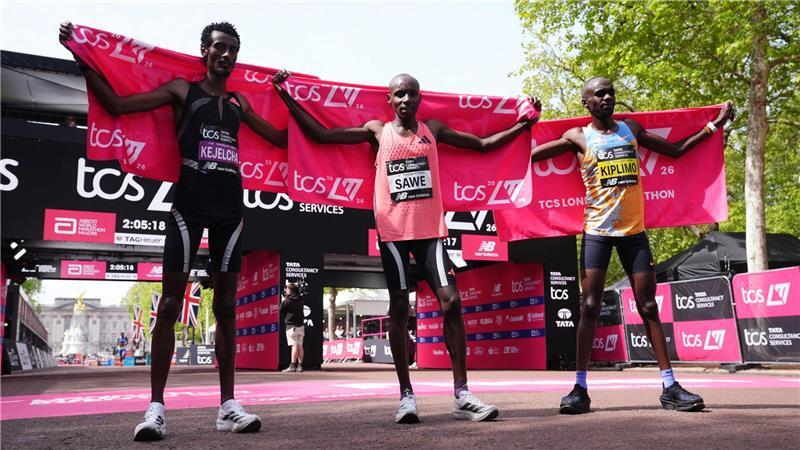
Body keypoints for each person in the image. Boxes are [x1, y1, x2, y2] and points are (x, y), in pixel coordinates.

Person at [59, 21, 288, 440]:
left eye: (233, 49)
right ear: (204, 50)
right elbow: (116, 105)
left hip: (230, 213)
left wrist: (290, 94)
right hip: (188, 208)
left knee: (225, 310)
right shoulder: (183, 92)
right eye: (219, 47)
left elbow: (281, 138)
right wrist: (82, 55)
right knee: (167, 306)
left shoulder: (239, 103)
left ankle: (227, 407)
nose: (227, 55)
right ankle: (155, 410)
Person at [274, 71, 539, 423]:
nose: (405, 100)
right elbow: (321, 135)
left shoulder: (434, 130)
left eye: (411, 94)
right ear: (389, 99)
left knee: (452, 301)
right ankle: (406, 396)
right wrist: (287, 95)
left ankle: (462, 393)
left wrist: (525, 124)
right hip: (394, 231)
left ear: (419, 98)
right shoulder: (376, 131)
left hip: (430, 231)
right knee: (399, 306)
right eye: (399, 94)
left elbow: (483, 144)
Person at [530, 77, 734, 414]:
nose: (607, 97)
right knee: (590, 306)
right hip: (597, 232)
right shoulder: (578, 137)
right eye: (599, 94)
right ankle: (579, 388)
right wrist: (526, 123)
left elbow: (678, 151)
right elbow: (528, 158)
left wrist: (715, 124)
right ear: (586, 103)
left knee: (648, 306)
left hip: (633, 233)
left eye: (610, 92)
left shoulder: (631, 130)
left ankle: (670, 386)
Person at [280, 282, 305, 372]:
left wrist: (283, 300)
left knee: (294, 345)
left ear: (290, 290)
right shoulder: (300, 300)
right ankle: (300, 365)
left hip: (291, 326)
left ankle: (292, 365)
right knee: (300, 345)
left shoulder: (287, 301)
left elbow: (281, 310)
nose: (286, 291)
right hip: (301, 326)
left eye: (287, 289)